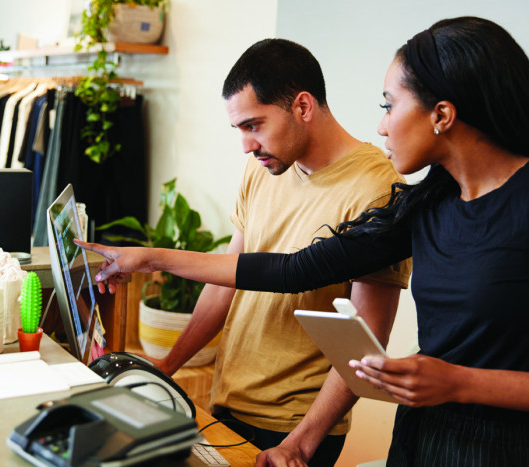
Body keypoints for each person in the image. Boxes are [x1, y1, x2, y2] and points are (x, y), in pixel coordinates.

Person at [78, 17, 529, 466]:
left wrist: (460, 383)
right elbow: (292, 270)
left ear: (442, 114)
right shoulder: (426, 206)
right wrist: (149, 260)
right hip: (423, 438)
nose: (382, 125)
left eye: (389, 105)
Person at [90, 39, 410, 466]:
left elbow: (364, 343)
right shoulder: (264, 167)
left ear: (302, 106)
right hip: (228, 402)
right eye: (239, 129)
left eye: (254, 125)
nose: (245, 145)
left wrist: (300, 443)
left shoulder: (375, 190)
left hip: (294, 427)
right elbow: (225, 284)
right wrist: (167, 365)